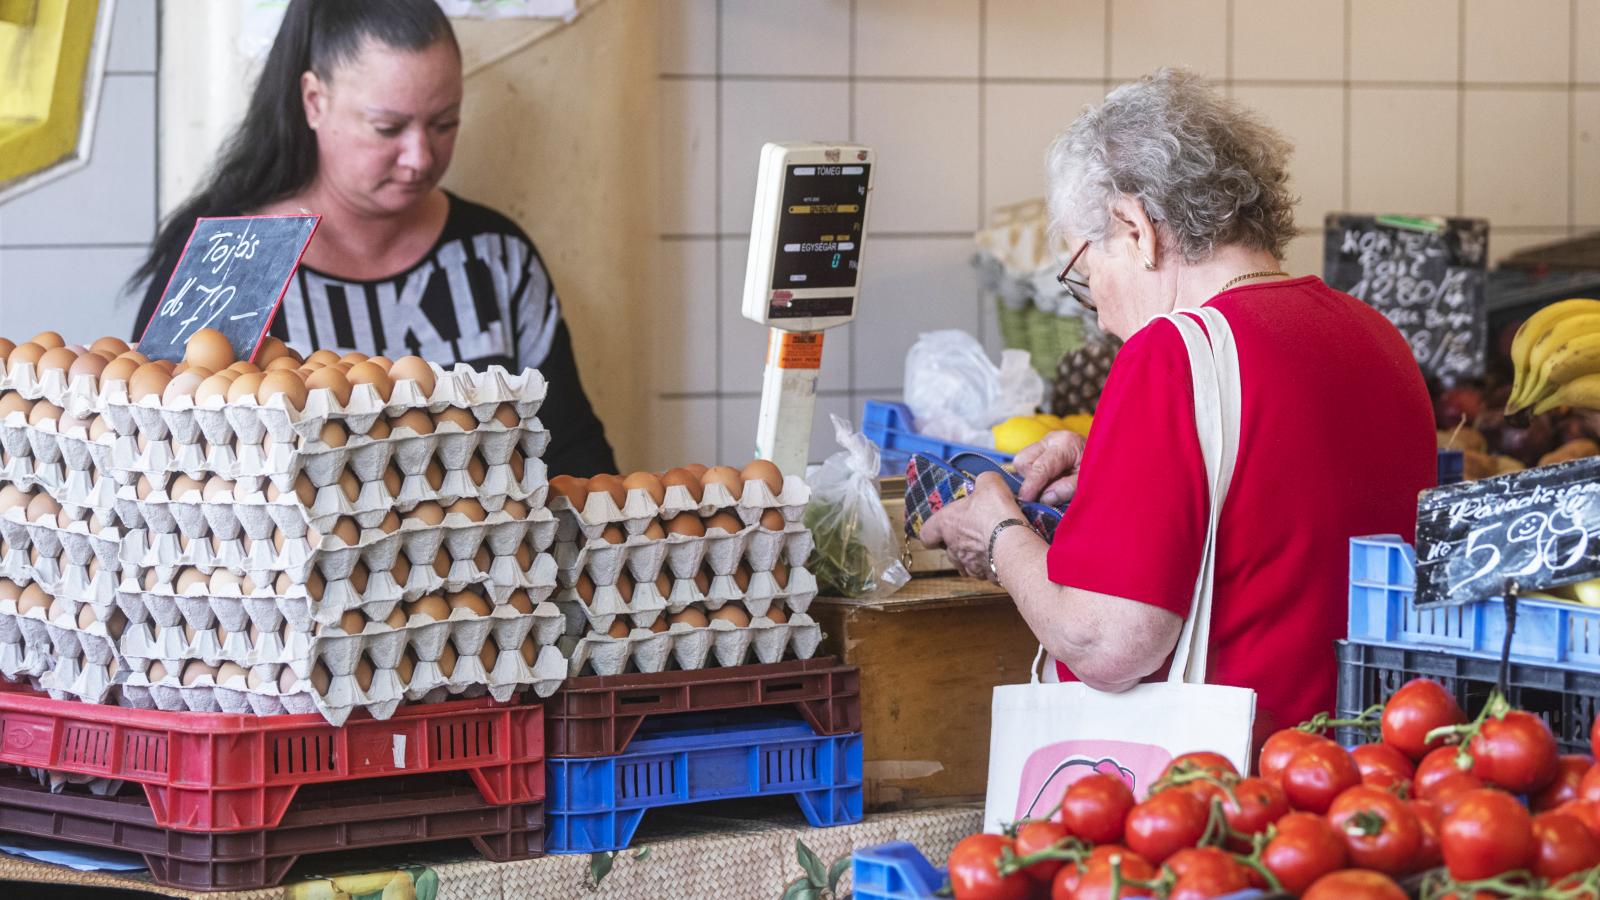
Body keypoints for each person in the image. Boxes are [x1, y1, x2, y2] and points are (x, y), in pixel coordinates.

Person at [919, 69, 1435, 737]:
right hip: (1358, 766)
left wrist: (997, 536)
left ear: (1136, 227)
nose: (1100, 318)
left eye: (1084, 273)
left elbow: (1108, 641)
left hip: (1226, 791)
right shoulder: (1374, 334)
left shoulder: (1172, 353)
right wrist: (1111, 463)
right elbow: (1275, 509)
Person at [128, 0, 615, 477]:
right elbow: (167, 470)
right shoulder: (228, 264)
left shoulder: (495, 257)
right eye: (389, 128)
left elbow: (572, 453)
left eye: (444, 123)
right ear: (315, 102)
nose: (420, 157)